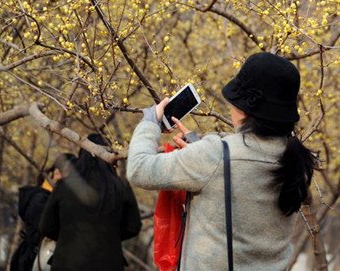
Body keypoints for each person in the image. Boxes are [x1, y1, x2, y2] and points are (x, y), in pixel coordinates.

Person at [127, 52, 318, 270]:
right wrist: (199, 148)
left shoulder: (215, 154)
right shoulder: (297, 160)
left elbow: (139, 169)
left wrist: (150, 122)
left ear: (244, 110)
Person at [40, 134, 142, 270]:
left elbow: (46, 226)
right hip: (108, 263)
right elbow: (133, 226)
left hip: (67, 262)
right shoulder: (120, 186)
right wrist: (109, 236)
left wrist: (68, 237)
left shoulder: (65, 185)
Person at [10, 154, 75, 271]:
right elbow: (49, 228)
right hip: (34, 259)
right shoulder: (39, 199)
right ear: (54, 173)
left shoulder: (59, 198)